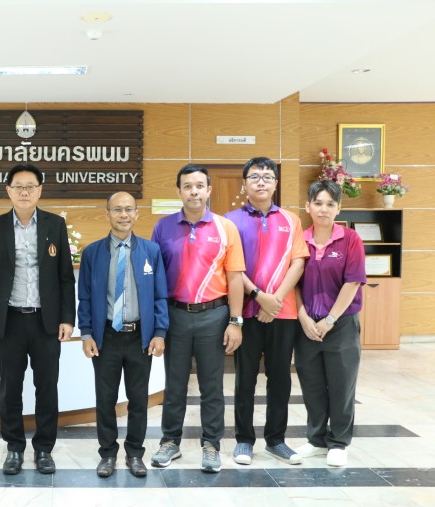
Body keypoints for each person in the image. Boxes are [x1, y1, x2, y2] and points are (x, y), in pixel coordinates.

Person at [0, 163, 76, 475]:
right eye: (18, 186)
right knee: (10, 389)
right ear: (8, 190)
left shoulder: (55, 225)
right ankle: (14, 448)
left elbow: (65, 277)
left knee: (47, 388)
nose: (24, 191)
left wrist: (67, 318)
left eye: (30, 186)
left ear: (39, 190)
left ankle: (44, 448)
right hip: (10, 322)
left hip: (46, 322)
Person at [150, 163, 245, 473]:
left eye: (199, 186)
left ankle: (211, 445)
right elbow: (155, 278)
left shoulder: (225, 227)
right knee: (174, 384)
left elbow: (234, 277)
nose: (194, 192)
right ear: (178, 191)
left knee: (212, 386)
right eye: (187, 186)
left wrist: (235, 321)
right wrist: (158, 324)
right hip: (175, 316)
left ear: (208, 190)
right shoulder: (163, 227)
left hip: (214, 316)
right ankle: (170, 442)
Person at [224, 157, 309, 466]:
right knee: (244, 379)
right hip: (246, 312)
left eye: (267, 176)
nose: (261, 181)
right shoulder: (229, 221)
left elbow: (298, 262)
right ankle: (244, 441)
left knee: (280, 379)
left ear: (276, 183)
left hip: (282, 313)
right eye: (255, 176)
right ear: (244, 183)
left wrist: (275, 301)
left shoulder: (291, 219)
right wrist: (260, 297)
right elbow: (231, 268)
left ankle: (276, 440)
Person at [77, 192, 168, 478]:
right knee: (105, 399)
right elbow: (85, 296)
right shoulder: (92, 253)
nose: (123, 215)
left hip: (140, 337)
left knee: (138, 400)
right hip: (106, 337)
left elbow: (160, 296)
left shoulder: (151, 251)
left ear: (137, 214)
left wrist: (160, 332)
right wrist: (86, 333)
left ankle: (135, 453)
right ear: (107, 214)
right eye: (117, 209)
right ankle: (107, 454)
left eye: (129, 209)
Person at [294, 179, 365, 468]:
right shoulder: (299, 240)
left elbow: (353, 282)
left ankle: (338, 442)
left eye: (330, 204)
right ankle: (316, 440)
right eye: (318, 203)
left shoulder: (350, 239)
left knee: (341, 385)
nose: (323, 209)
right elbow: (293, 283)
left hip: (341, 325)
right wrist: (303, 317)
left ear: (339, 208)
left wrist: (330, 320)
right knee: (311, 385)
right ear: (308, 206)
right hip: (307, 326)